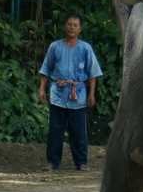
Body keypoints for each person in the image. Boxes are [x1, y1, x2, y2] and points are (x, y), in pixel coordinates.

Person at [37, 14, 102, 172]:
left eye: (75, 25)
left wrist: (91, 94)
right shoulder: (55, 46)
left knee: (78, 132)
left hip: (78, 95)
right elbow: (46, 69)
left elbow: (92, 74)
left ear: (80, 29)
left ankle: (81, 162)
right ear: (65, 26)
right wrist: (41, 89)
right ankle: (52, 162)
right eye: (69, 24)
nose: (72, 27)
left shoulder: (85, 48)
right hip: (58, 94)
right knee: (55, 130)